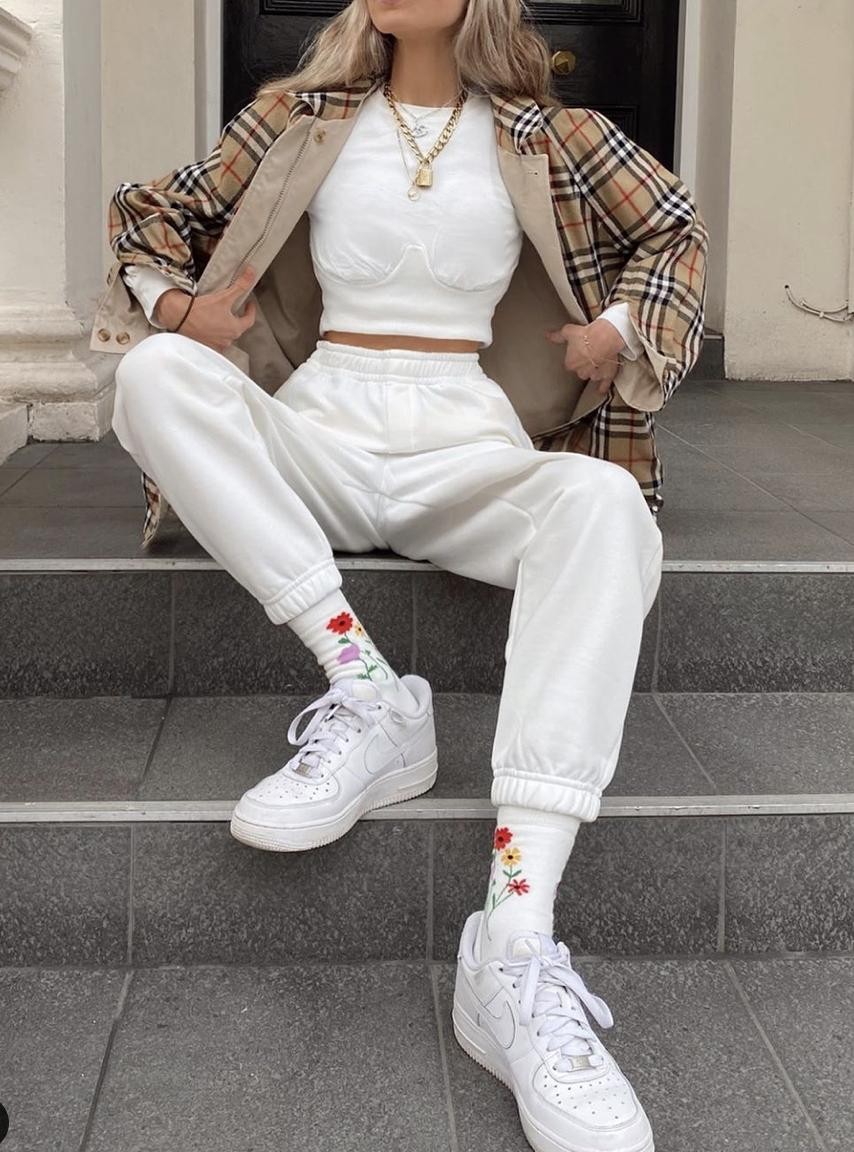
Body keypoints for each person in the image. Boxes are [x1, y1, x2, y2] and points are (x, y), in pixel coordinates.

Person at [104, 2, 706, 1149]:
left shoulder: (549, 135)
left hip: (460, 444)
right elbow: (149, 213)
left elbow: (671, 227)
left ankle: (512, 943)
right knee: (154, 378)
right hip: (319, 431)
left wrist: (620, 327)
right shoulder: (298, 116)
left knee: (600, 507)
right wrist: (176, 308)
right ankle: (369, 690)